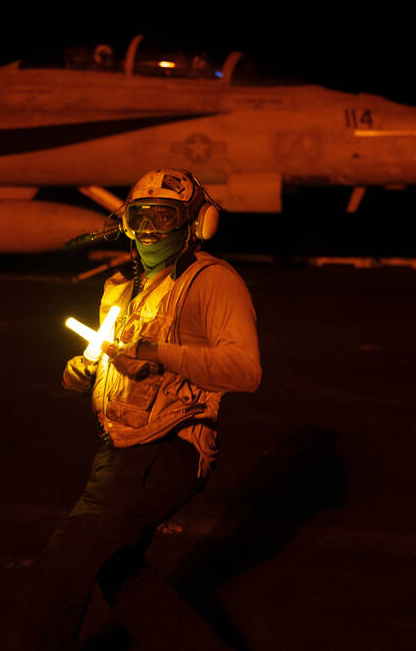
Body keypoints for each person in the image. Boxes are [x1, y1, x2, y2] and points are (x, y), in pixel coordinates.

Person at [24, 168, 262, 650]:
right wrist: (82, 372)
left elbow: (245, 371)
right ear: (126, 222)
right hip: (120, 449)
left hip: (168, 447)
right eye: (141, 216)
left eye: (165, 216)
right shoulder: (121, 290)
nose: (151, 228)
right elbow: (112, 360)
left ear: (196, 224)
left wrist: (158, 351)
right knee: (120, 573)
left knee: (63, 564)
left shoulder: (212, 281)